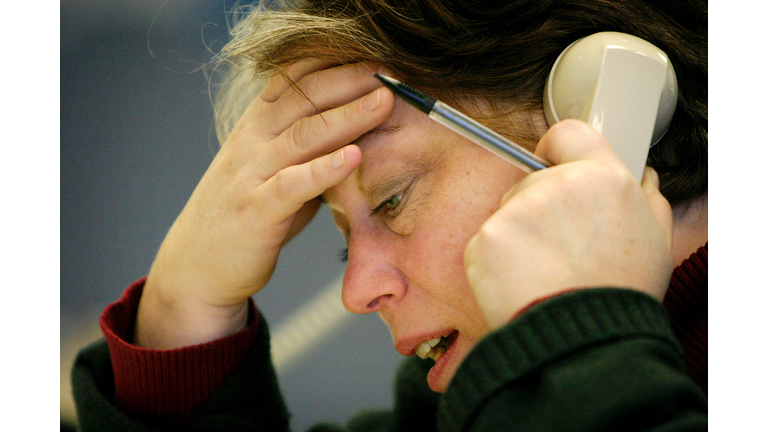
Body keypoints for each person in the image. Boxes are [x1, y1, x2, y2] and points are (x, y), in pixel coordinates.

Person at [72, 0, 708, 430]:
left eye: (392, 199)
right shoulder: (465, 405)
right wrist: (186, 307)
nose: (358, 292)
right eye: (346, 243)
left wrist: (581, 336)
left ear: (600, 109)